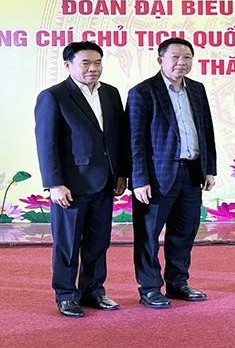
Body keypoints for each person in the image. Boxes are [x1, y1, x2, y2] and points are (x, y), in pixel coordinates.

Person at [34, 41, 129, 317]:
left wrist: (121, 172)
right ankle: (66, 295)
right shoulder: (54, 96)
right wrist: (54, 183)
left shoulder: (110, 94)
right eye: (85, 63)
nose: (93, 68)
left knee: (98, 241)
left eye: (97, 62)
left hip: (106, 182)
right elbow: (46, 143)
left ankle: (93, 291)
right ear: (68, 65)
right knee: (67, 244)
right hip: (70, 185)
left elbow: (117, 137)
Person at [127, 37, 217, 308]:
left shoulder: (197, 90)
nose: (182, 62)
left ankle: (178, 283)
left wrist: (209, 168)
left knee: (184, 232)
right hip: (156, 178)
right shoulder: (143, 92)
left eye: (187, 57)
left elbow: (206, 131)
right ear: (160, 61)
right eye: (175, 57)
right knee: (148, 235)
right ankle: (150, 288)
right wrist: (139, 179)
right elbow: (135, 140)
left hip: (191, 173)